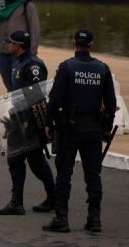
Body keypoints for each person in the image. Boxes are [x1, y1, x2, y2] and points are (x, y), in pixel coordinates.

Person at [43, 29, 117, 233]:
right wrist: (106, 128)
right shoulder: (103, 69)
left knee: (64, 174)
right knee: (93, 175)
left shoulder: (67, 67)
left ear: (73, 42)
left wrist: (48, 122)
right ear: (91, 45)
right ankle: (94, 220)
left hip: (70, 128)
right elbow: (110, 104)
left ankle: (62, 219)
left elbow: (55, 99)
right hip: (93, 128)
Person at [0, 30, 56, 216]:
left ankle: (52, 197)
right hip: (17, 117)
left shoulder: (33, 65)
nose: (8, 45)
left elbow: (36, 95)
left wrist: (30, 121)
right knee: (15, 159)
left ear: (18, 46)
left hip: (28, 120)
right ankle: (17, 202)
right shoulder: (17, 62)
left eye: (11, 43)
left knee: (35, 161)